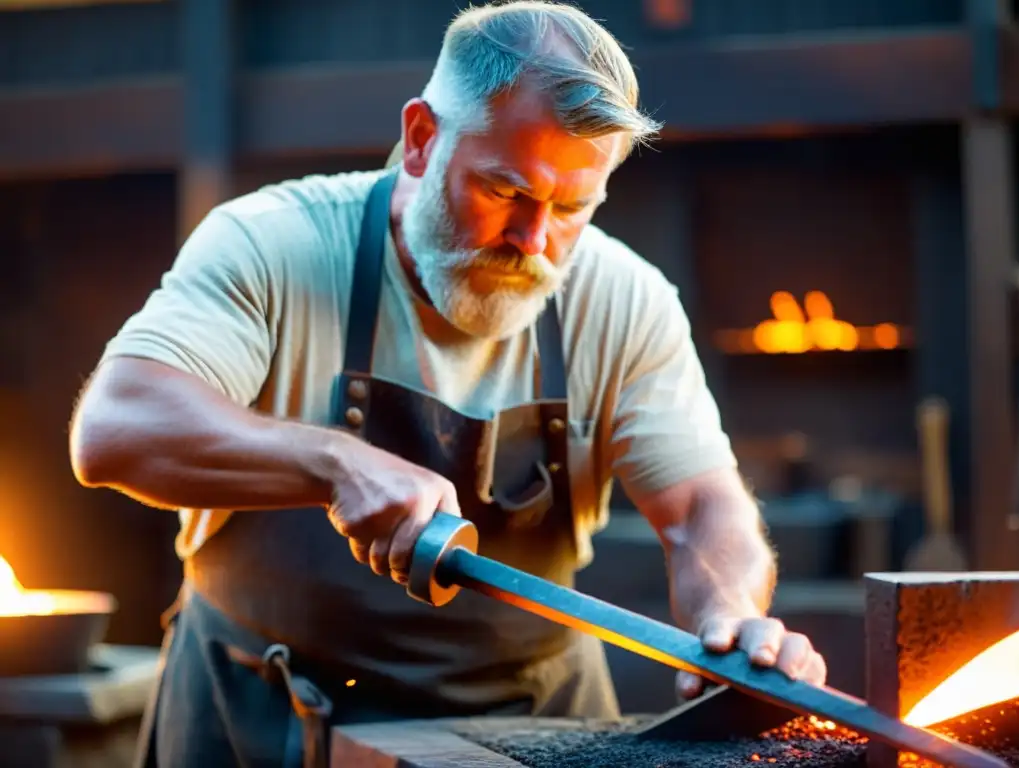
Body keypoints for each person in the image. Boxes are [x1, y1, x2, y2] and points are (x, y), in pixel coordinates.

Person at [69, 2, 827, 766]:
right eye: (506, 192)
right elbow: (116, 427)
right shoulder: (276, 244)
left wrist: (728, 618)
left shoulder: (624, 299)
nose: (536, 242)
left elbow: (699, 507)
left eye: (572, 208)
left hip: (531, 726)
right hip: (264, 716)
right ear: (423, 139)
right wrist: (334, 463)